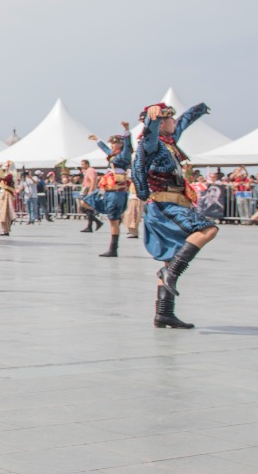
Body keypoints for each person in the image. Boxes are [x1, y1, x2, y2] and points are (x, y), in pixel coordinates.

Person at [133, 101, 218, 329]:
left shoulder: (169, 143)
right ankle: (169, 272)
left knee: (170, 258)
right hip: (164, 205)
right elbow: (150, 133)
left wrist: (199, 109)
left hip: (174, 204)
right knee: (208, 229)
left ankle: (164, 314)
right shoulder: (152, 145)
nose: (174, 121)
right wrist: (151, 118)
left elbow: (183, 123)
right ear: (160, 122)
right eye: (169, 118)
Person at [85, 127, 133, 257]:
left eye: (114, 142)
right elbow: (105, 149)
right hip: (109, 190)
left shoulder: (124, 155)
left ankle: (113, 248)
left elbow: (128, 146)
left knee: (113, 220)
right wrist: (97, 141)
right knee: (86, 202)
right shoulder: (113, 155)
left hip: (116, 191)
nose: (112, 145)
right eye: (111, 142)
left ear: (121, 143)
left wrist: (127, 131)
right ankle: (102, 223)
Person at [0, 163, 18, 236]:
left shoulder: (11, 175)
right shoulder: (6, 174)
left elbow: (5, 179)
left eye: (8, 166)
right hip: (2, 194)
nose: (6, 167)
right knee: (1, 212)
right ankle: (5, 229)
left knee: (5, 213)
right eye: (6, 166)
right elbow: (0, 180)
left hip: (7, 194)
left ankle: (5, 230)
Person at [76, 160, 104, 233]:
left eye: (83, 164)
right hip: (87, 190)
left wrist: (91, 191)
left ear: (87, 164)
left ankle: (95, 223)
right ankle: (91, 225)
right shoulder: (87, 171)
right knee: (87, 209)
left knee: (84, 207)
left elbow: (93, 180)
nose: (82, 166)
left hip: (89, 190)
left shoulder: (91, 170)